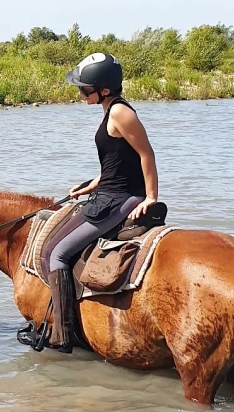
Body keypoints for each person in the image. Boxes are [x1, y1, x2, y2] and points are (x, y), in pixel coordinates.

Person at [46, 52, 159, 353]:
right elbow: (117, 162)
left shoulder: (122, 113)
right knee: (52, 244)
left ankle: (63, 335)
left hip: (119, 200)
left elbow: (146, 154)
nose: (80, 93)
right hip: (106, 192)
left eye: (85, 88)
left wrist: (150, 198)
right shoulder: (109, 110)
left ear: (104, 90)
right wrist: (89, 186)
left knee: (56, 254)